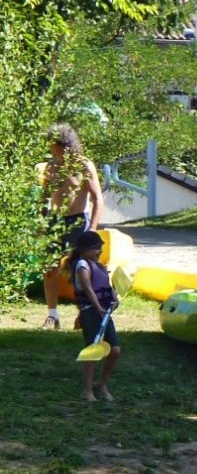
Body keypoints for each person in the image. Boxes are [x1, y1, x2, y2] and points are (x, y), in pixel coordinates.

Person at [40, 124, 104, 330]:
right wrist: (41, 221)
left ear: (65, 145)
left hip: (78, 222)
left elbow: (97, 199)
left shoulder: (84, 166)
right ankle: (53, 316)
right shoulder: (51, 166)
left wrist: (92, 228)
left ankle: (83, 315)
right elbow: (44, 197)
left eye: (54, 145)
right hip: (54, 221)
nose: (52, 149)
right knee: (49, 269)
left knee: (81, 271)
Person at [69, 230, 120, 402]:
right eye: (95, 248)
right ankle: (87, 390)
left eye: (100, 248)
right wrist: (98, 308)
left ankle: (101, 383)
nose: (99, 251)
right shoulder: (82, 265)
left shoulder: (98, 265)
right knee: (92, 351)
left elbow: (106, 284)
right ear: (84, 250)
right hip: (91, 312)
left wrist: (114, 299)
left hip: (104, 312)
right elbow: (88, 288)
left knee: (115, 350)